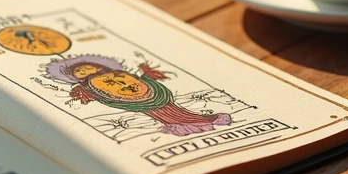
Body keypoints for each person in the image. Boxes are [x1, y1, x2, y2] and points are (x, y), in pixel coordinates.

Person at [46, 55, 231, 137]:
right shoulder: (88, 85)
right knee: (159, 114)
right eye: (81, 71)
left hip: (148, 92)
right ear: (75, 76)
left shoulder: (118, 73)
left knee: (173, 108)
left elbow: (138, 80)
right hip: (133, 100)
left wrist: (146, 73)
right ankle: (182, 125)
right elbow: (102, 94)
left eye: (88, 67)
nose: (86, 71)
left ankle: (205, 119)